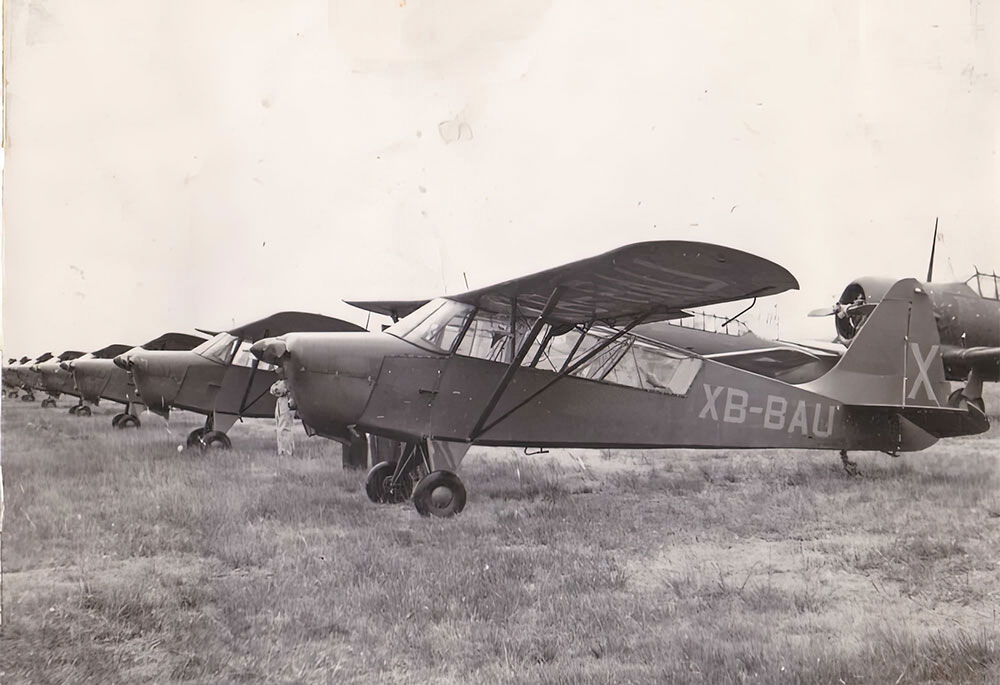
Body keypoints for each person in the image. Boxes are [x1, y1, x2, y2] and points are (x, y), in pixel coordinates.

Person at [269, 378, 295, 457]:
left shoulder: (287, 381)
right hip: (282, 402)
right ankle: (283, 451)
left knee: (284, 428)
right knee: (281, 428)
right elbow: (273, 390)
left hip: (287, 402)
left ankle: (286, 453)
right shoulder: (283, 381)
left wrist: (277, 386)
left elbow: (277, 389)